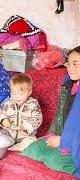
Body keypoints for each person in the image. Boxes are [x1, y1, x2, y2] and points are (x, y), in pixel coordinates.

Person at [21, 46, 80, 177]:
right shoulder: (69, 84)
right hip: (62, 136)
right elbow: (59, 114)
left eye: (75, 64)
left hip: (75, 144)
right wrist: (52, 134)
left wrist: (64, 141)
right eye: (68, 64)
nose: (70, 68)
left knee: (53, 161)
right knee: (33, 150)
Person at [0, 73, 43, 151]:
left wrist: (26, 126)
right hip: (9, 132)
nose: (17, 97)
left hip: (26, 135)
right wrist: (3, 120)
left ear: (29, 92)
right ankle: (7, 145)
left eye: (20, 94)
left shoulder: (33, 104)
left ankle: (14, 147)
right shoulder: (7, 103)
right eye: (14, 93)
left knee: (33, 143)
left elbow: (38, 118)